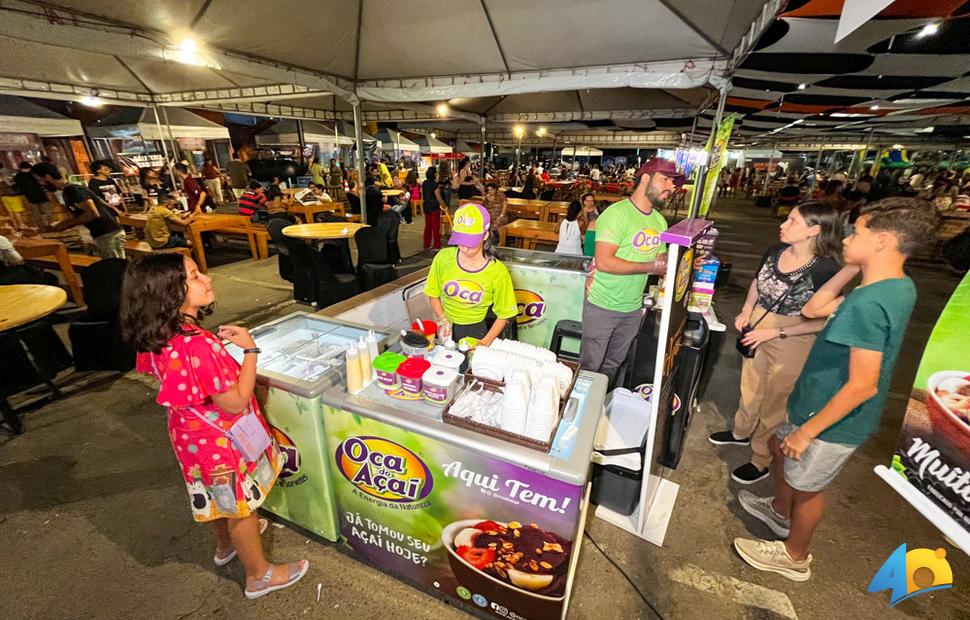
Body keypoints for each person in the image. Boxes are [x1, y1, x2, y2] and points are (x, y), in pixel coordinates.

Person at [733, 198, 939, 582]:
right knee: (782, 456)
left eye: (856, 232)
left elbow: (863, 384)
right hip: (813, 399)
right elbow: (814, 309)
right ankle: (779, 512)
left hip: (829, 418)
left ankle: (794, 555)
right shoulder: (890, 286)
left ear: (883, 240)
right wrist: (852, 265)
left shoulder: (869, 303)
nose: (844, 238)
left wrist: (809, 431)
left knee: (808, 487)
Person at [121, 253, 309, 598]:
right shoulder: (198, 343)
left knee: (218, 497)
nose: (207, 278)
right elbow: (235, 401)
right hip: (220, 443)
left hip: (188, 438)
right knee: (242, 507)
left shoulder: (157, 334)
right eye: (194, 276)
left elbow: (169, 379)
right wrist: (249, 351)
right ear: (170, 292)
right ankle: (259, 575)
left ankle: (226, 548)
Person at [708, 202, 843, 484]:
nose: (783, 224)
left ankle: (760, 459)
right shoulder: (775, 251)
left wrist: (775, 333)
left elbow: (824, 319)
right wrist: (746, 310)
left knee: (775, 401)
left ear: (814, 230)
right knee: (750, 386)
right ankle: (740, 433)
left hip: (793, 336)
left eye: (792, 221)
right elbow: (757, 282)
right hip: (758, 324)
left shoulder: (826, 269)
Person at [579, 159, 682, 381]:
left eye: (673, 182)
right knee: (590, 368)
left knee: (613, 365)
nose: (671, 187)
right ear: (645, 179)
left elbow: (661, 260)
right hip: (602, 305)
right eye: (665, 179)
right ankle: (579, 412)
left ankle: (598, 406)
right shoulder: (617, 214)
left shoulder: (659, 222)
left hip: (632, 308)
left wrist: (684, 261)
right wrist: (652, 266)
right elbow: (605, 262)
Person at [424, 203, 518, 345]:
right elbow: (433, 293)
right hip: (446, 326)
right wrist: (442, 320)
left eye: (470, 243)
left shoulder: (498, 272)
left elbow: (504, 314)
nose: (464, 248)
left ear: (485, 235)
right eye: (460, 241)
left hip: (476, 331)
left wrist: (485, 342)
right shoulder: (443, 258)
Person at [32, 162, 127, 259]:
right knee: (118, 265)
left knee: (115, 267)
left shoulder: (73, 189)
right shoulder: (67, 192)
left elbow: (92, 213)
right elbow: (74, 216)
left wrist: (67, 224)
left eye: (40, 180)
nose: (40, 184)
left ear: (48, 177)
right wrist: (56, 227)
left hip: (107, 233)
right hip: (106, 232)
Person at [13, 161, 52, 227]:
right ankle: (52, 225)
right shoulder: (33, 174)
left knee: (36, 213)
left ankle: (42, 227)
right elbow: (41, 182)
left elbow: (18, 186)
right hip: (40, 195)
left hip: (29, 197)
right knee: (47, 211)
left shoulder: (17, 177)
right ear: (28, 168)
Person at [422, 167, 443, 250]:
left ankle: (426, 244)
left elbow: (423, 195)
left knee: (428, 226)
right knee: (435, 227)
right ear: (434, 174)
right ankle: (436, 245)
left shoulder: (424, 183)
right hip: (434, 205)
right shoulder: (435, 184)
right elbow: (438, 197)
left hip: (426, 205)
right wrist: (444, 205)